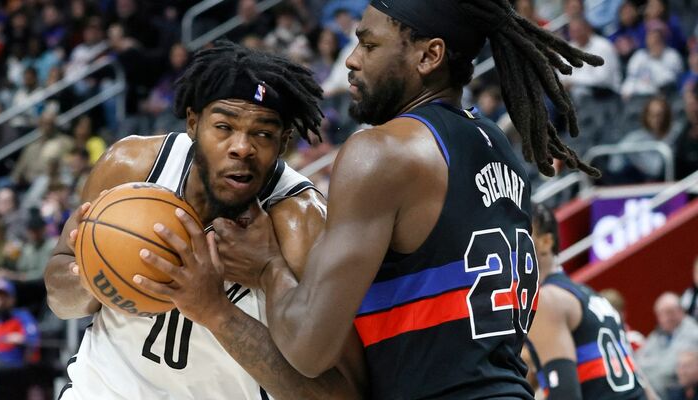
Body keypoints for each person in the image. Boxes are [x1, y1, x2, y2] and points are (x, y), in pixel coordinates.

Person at [159, 0, 605, 398]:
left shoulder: (382, 152)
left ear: (429, 56)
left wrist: (267, 268)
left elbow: (308, 350)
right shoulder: (499, 147)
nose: (352, 60)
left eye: (369, 45)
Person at [44, 42, 365, 400]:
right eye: (224, 126)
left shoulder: (301, 224)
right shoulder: (132, 166)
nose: (242, 147)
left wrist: (216, 311)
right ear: (193, 123)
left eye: (262, 133)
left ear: (284, 142)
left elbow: (342, 394)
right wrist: (99, 272)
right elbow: (59, 298)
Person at [525, 204, 651, 399]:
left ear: (546, 242)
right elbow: (641, 382)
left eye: (519, 234)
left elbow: (565, 395)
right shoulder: (590, 295)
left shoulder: (546, 300)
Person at [637, 292, 698, 396]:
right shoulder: (657, 334)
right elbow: (638, 363)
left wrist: (650, 366)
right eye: (661, 314)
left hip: (676, 392)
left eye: (670, 312)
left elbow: (670, 368)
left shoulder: (693, 332)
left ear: (681, 311)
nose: (666, 318)